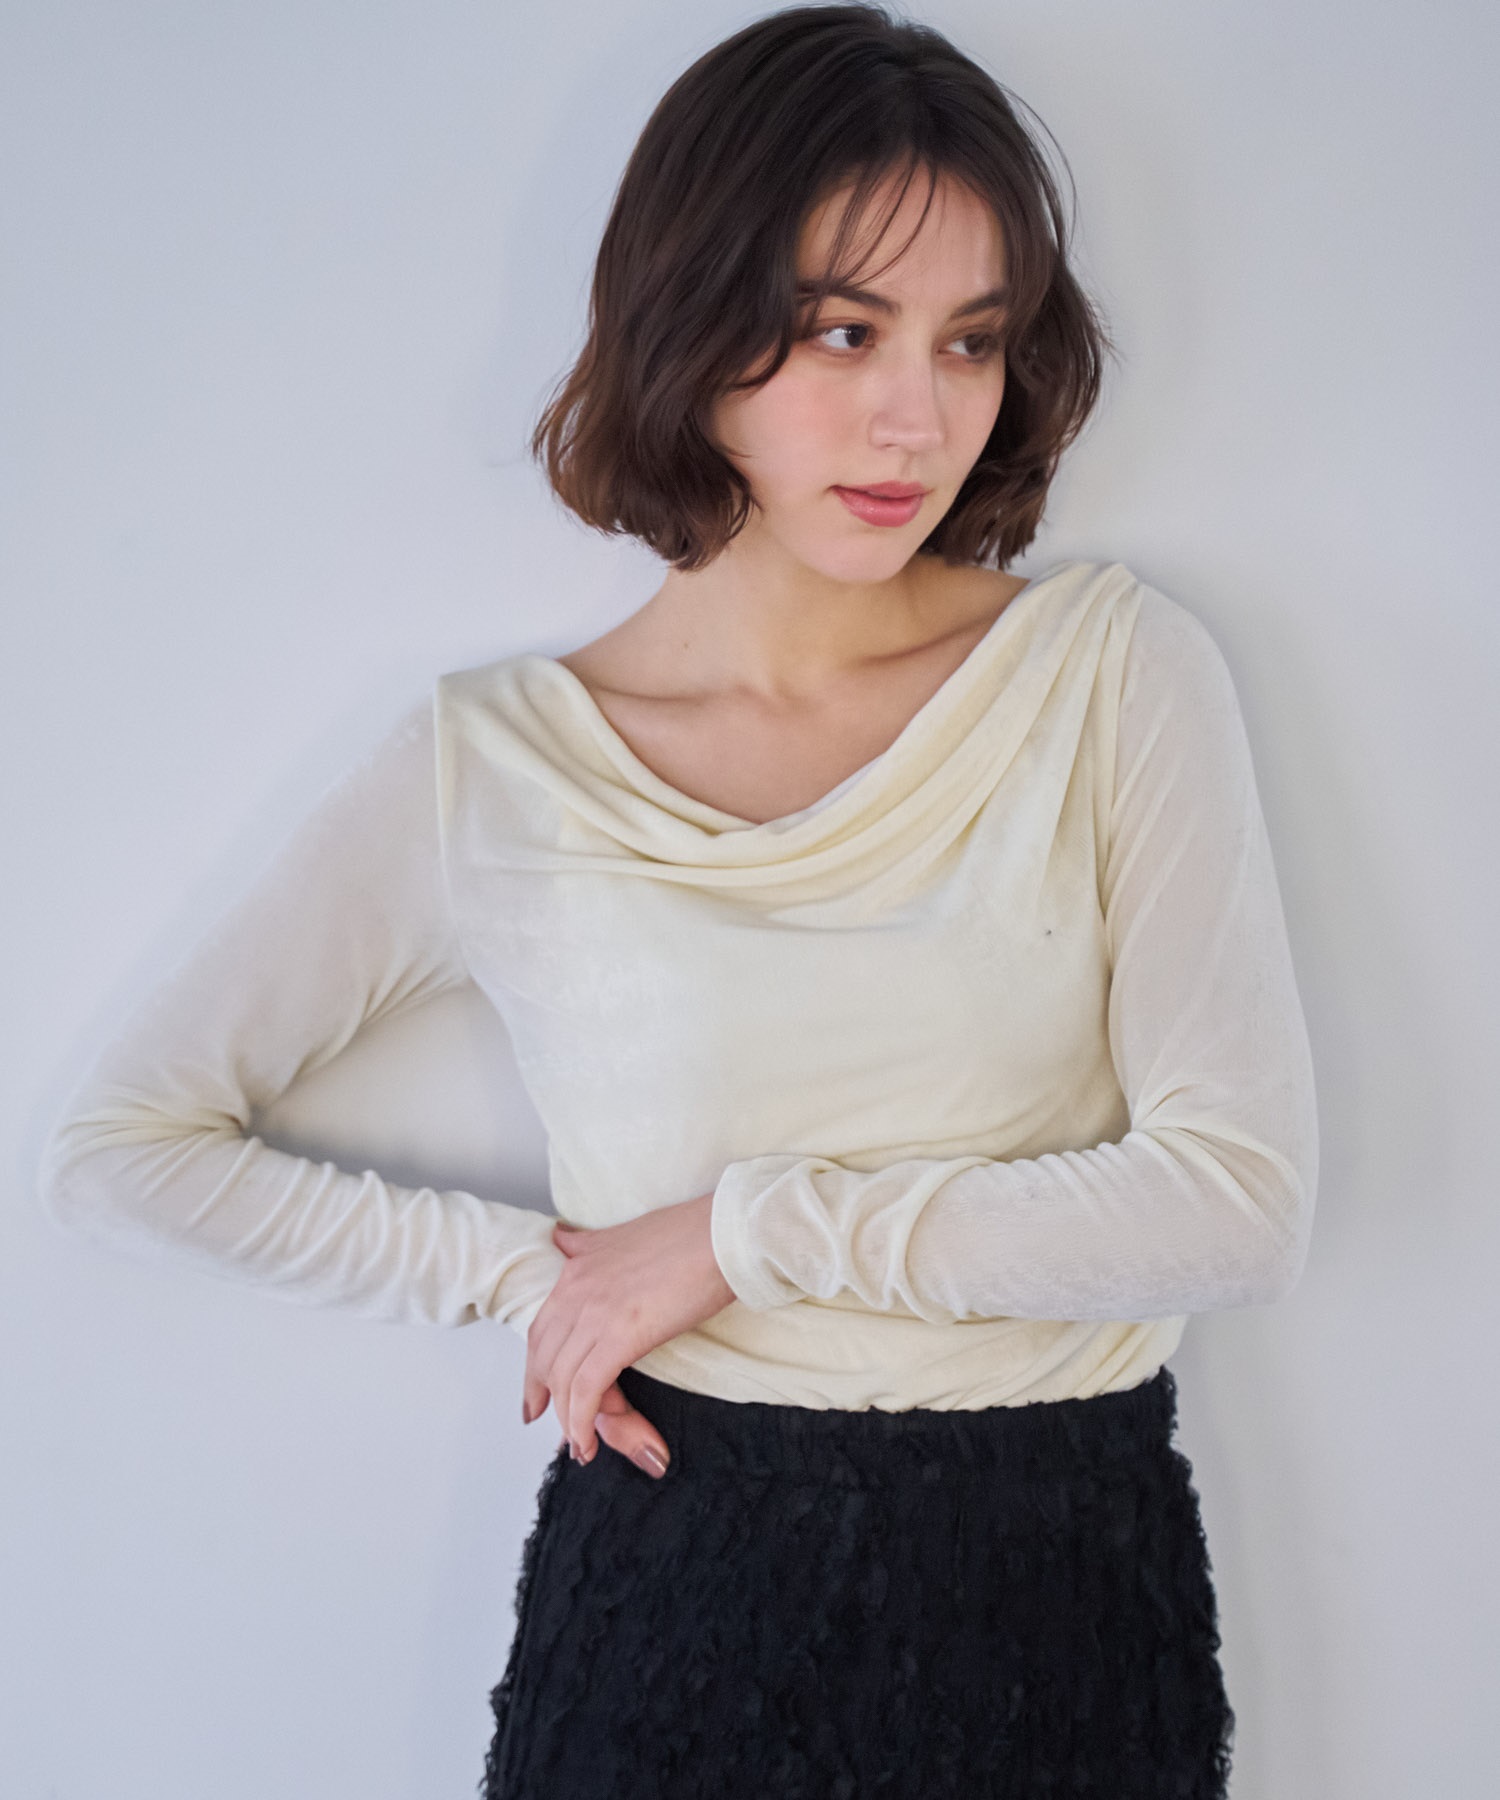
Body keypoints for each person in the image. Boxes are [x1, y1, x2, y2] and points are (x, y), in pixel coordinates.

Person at [37, 4, 1319, 1796]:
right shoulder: (497, 765)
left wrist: (738, 1237)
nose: (917, 416)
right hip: (672, 1577)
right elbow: (125, 1147)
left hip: (1060, 1593)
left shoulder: (1110, 671)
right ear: (692, 322)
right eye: (843, 330)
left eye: (970, 341)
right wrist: (532, 1280)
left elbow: (1239, 1204)